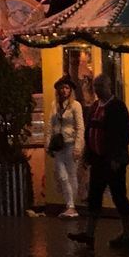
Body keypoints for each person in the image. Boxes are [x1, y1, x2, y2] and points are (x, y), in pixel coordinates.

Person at [68, 74, 129, 250]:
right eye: (95, 86)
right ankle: (89, 234)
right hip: (98, 160)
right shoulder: (96, 106)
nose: (97, 89)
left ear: (109, 86)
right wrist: (88, 155)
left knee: (119, 196)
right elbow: (90, 130)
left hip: (112, 161)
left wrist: (116, 157)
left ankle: (128, 234)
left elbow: (124, 134)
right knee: (94, 197)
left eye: (100, 86)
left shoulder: (118, 106)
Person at [47, 76, 84, 218]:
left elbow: (80, 127)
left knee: (71, 175)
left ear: (71, 90)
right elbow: (50, 125)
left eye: (67, 88)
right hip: (58, 145)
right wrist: (48, 144)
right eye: (62, 88)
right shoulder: (54, 105)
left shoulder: (76, 106)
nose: (64, 90)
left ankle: (71, 206)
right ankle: (70, 205)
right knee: (62, 176)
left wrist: (78, 146)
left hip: (70, 143)